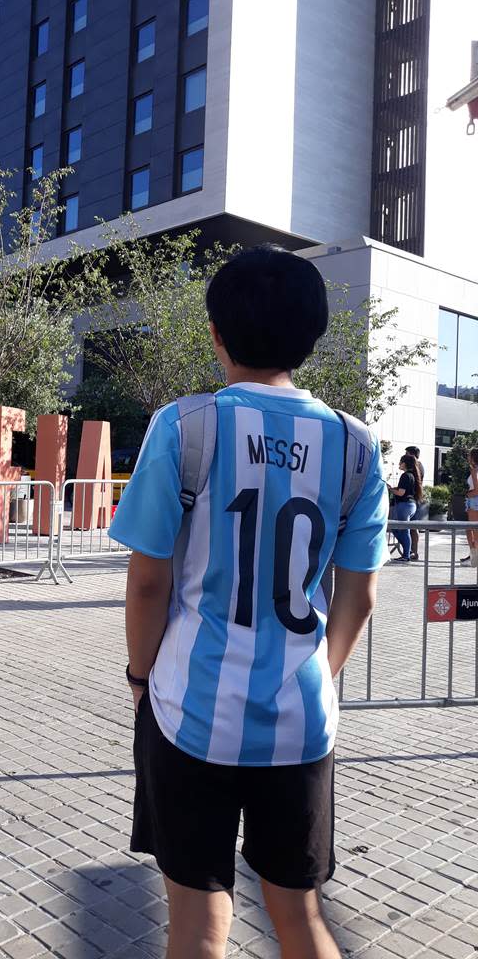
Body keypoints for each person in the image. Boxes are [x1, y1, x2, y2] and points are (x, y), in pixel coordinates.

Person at [109, 245, 388, 959]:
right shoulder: (356, 447)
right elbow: (359, 597)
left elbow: (147, 583)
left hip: (189, 712)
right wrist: (323, 676)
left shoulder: (184, 427)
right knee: (300, 918)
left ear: (216, 334)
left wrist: (141, 679)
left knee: (200, 927)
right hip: (300, 718)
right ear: (313, 336)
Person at [387, 455, 423, 562]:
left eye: (400, 462)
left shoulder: (405, 475)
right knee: (401, 529)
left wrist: (389, 489)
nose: (399, 464)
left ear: (405, 463)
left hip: (404, 505)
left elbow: (401, 492)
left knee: (401, 529)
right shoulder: (412, 475)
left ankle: (406, 554)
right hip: (411, 505)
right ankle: (408, 551)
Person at [405, 446, 426, 560]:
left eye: (407, 453)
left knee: (412, 526)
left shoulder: (415, 465)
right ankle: (413, 551)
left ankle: (413, 551)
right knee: (413, 526)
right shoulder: (420, 465)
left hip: (412, 498)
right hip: (417, 497)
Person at [461, 447, 478, 567]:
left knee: (473, 530)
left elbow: (477, 490)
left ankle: (474, 559)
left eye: (469, 455)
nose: (468, 457)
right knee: (470, 529)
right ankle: (473, 557)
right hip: (473, 501)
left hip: (474, 501)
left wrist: (467, 494)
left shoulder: (474, 470)